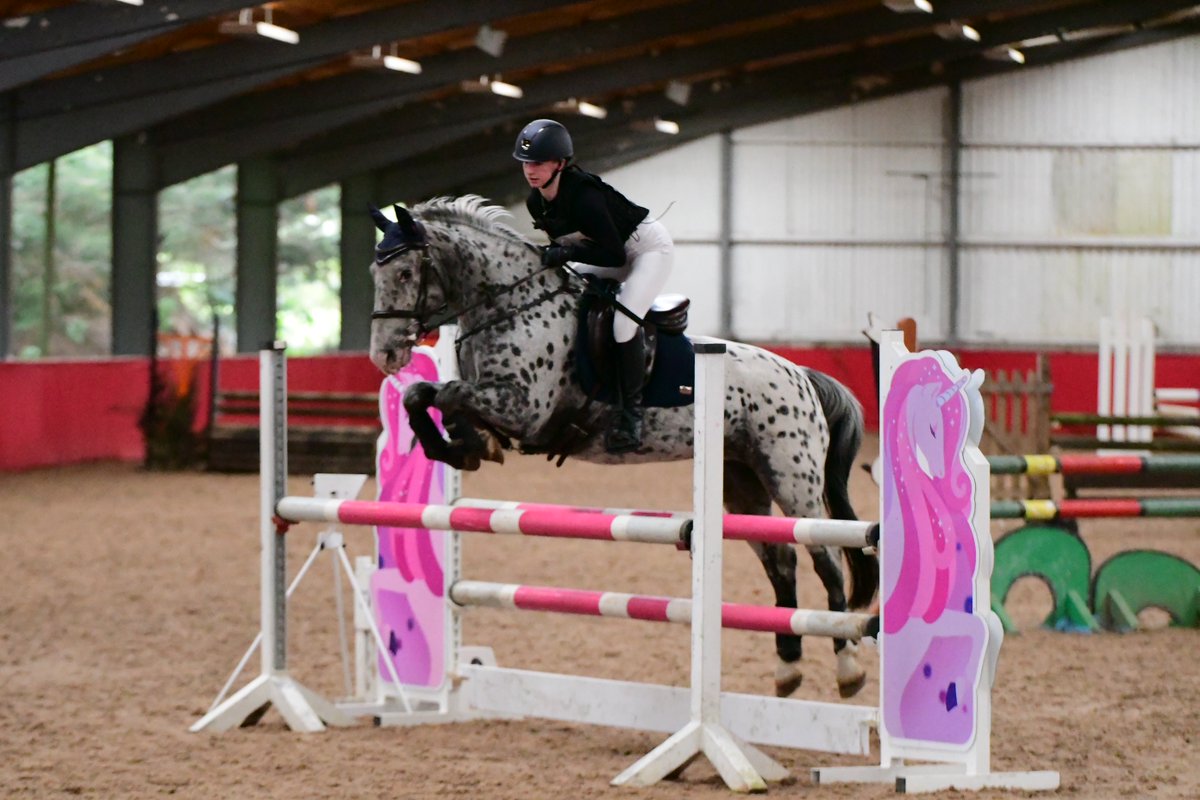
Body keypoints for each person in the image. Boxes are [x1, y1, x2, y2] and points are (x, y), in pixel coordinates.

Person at [512, 118, 674, 454]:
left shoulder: (584, 196)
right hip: (610, 252)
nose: (531, 170)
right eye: (527, 162)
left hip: (646, 250)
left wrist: (567, 252)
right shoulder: (535, 202)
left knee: (623, 323)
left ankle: (631, 415)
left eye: (539, 162)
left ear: (560, 164)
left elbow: (614, 254)